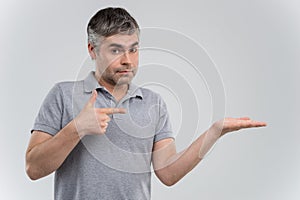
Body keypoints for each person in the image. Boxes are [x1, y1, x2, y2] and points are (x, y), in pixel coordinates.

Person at [25, 7, 266, 200]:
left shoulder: (153, 103)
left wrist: (215, 131)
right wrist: (77, 128)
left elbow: (169, 173)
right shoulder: (62, 94)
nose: (127, 60)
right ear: (92, 50)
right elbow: (33, 169)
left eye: (134, 49)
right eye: (116, 50)